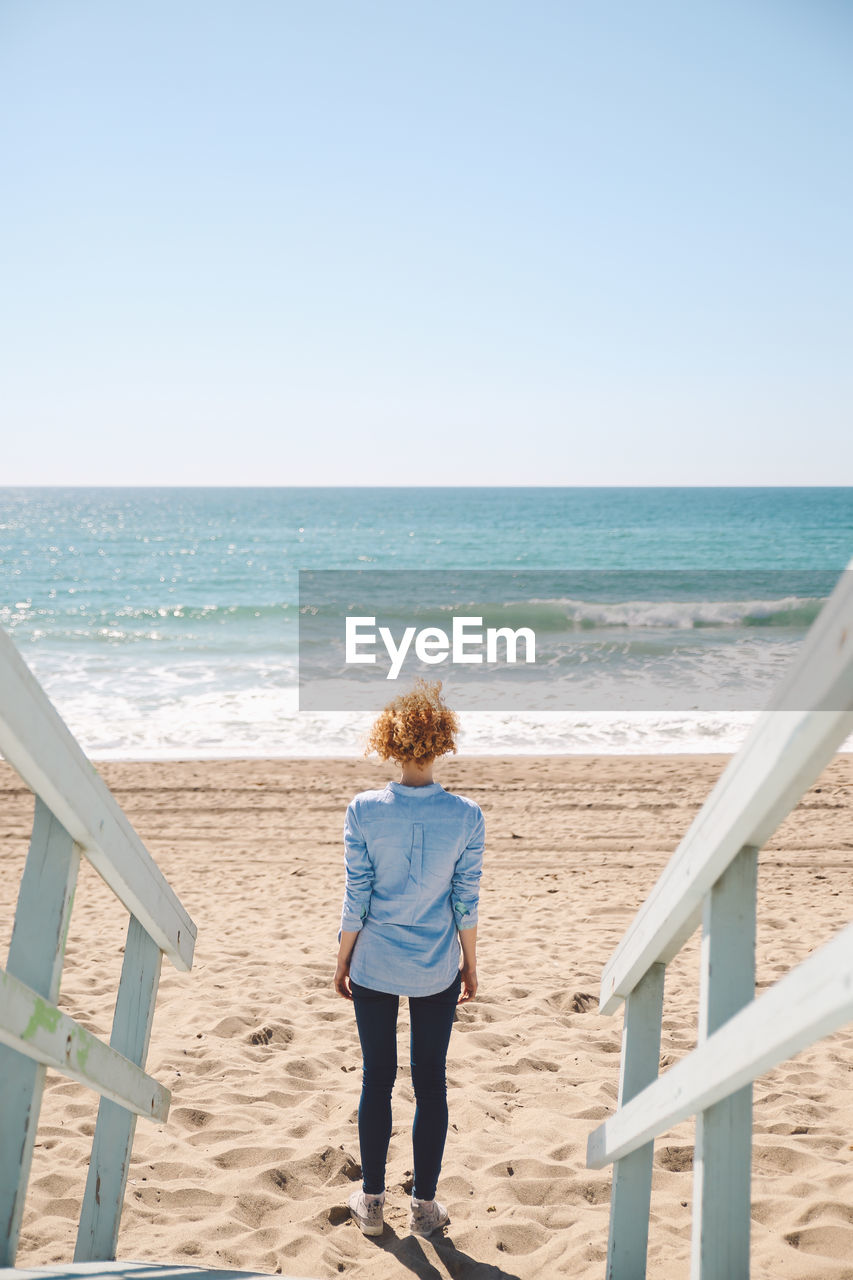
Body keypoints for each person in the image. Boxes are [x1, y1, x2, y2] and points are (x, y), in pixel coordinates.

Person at [334, 679, 484, 1239]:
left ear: (390, 744)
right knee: (431, 1084)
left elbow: (358, 895)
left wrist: (342, 958)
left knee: (377, 1079)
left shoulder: (364, 810)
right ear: (441, 742)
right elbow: (464, 899)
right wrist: (470, 962)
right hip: (435, 965)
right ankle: (423, 1208)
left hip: (374, 961)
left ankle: (371, 1204)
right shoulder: (467, 816)